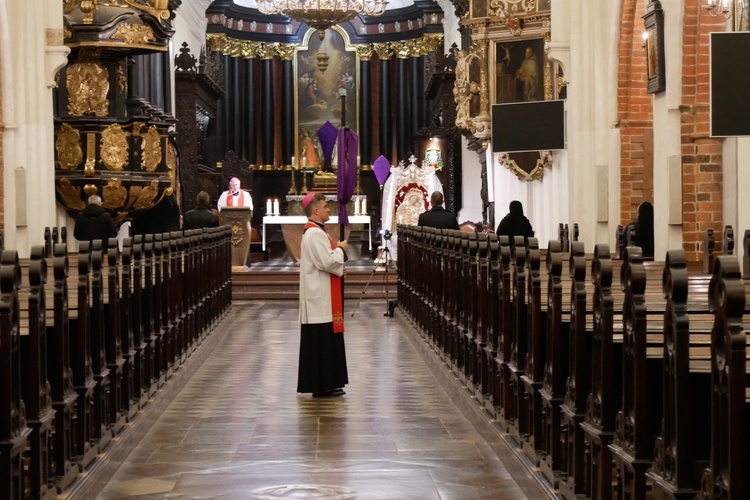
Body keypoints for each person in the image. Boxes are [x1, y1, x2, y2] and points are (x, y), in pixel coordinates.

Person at [297, 192, 349, 398]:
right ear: (316, 210)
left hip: (321, 294)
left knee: (324, 342)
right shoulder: (314, 234)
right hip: (319, 298)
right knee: (322, 342)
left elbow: (325, 262)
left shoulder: (316, 231)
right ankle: (322, 385)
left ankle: (326, 384)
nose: (329, 209)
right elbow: (326, 262)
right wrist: (341, 249)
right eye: (325, 206)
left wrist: (338, 265)